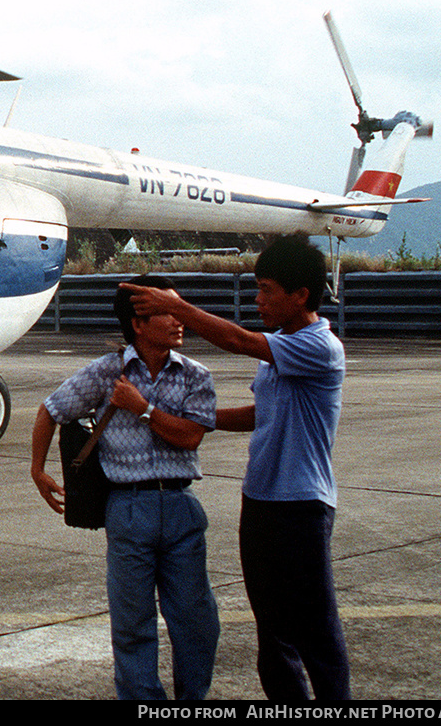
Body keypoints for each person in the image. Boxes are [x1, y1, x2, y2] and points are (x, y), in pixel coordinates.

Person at [122, 235, 350, 700]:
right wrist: (191, 420)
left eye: (267, 289)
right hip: (262, 501)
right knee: (273, 635)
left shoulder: (318, 347)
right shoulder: (284, 344)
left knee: (315, 631)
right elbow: (262, 413)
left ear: (300, 295)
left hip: (301, 506)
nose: (258, 299)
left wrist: (176, 306)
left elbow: (236, 339)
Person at [31, 274, 220, 700]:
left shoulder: (195, 376)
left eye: (181, 309)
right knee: (132, 624)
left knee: (197, 620)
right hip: (127, 508)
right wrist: (37, 469)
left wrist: (143, 408)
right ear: (138, 324)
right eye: (168, 312)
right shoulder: (108, 370)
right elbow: (51, 409)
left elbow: (191, 436)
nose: (180, 320)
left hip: (180, 505)